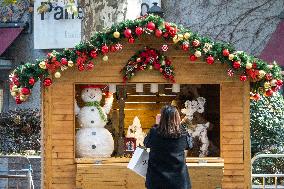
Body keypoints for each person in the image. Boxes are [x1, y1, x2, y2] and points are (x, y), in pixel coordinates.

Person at [144, 105, 192, 189]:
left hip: (156, 181)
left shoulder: (154, 132)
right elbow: (189, 145)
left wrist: (156, 125)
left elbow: (146, 143)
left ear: (162, 118)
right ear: (177, 118)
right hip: (179, 182)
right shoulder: (183, 133)